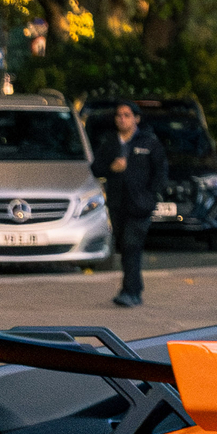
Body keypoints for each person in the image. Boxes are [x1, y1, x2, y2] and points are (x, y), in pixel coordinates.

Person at [91, 98, 167, 308]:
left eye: (127, 115)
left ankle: (129, 292)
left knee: (132, 246)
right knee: (125, 248)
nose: (122, 119)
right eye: (119, 115)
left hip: (140, 205)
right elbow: (96, 168)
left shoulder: (148, 142)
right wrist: (111, 169)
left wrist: (151, 196)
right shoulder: (110, 142)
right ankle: (135, 289)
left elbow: (160, 171)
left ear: (136, 119)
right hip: (118, 204)